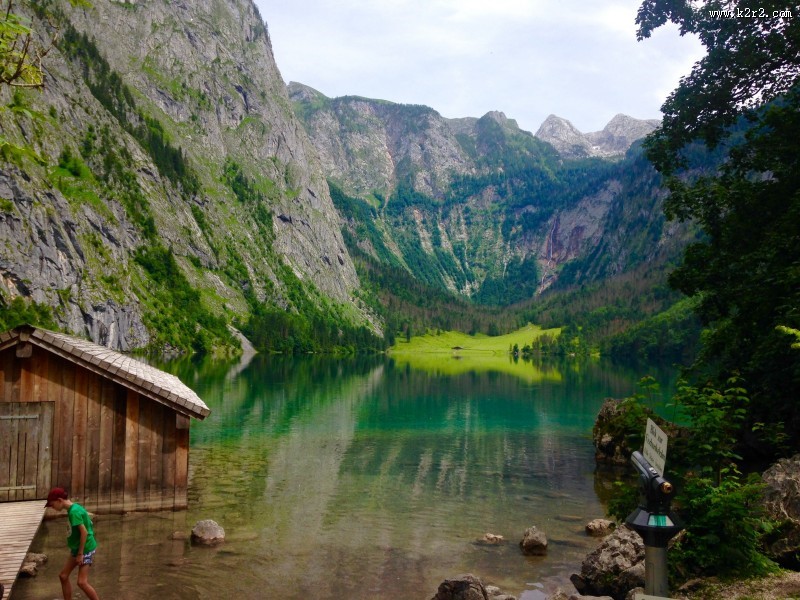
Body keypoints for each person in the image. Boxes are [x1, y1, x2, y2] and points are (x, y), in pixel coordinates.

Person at [45, 487, 100, 600]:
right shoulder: (74, 508)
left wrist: (80, 554)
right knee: (63, 576)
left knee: (81, 582)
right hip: (77, 548)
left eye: (52, 505)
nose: (52, 508)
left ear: (59, 500)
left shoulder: (74, 512)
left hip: (85, 549)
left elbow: (84, 532)